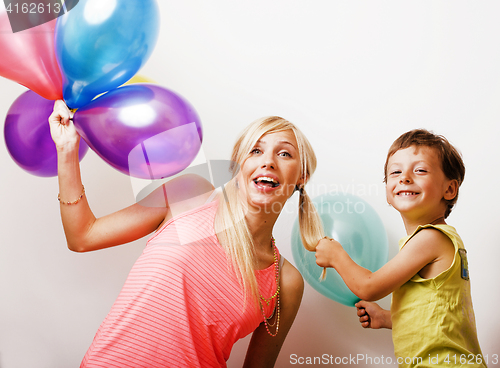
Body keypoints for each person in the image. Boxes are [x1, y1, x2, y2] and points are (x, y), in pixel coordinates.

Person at [48, 100, 324, 368]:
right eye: (255, 151)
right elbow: (83, 237)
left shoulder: (285, 281)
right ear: (240, 165)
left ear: (302, 176)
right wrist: (67, 151)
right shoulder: (191, 193)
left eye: (284, 153)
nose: (268, 162)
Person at [315, 129, 486, 367]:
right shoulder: (434, 240)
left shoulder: (431, 238)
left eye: (420, 170)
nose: (405, 177)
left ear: (449, 189)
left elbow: (369, 286)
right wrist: (388, 318)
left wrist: (336, 256)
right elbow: (438, 316)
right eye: (395, 172)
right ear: (388, 191)